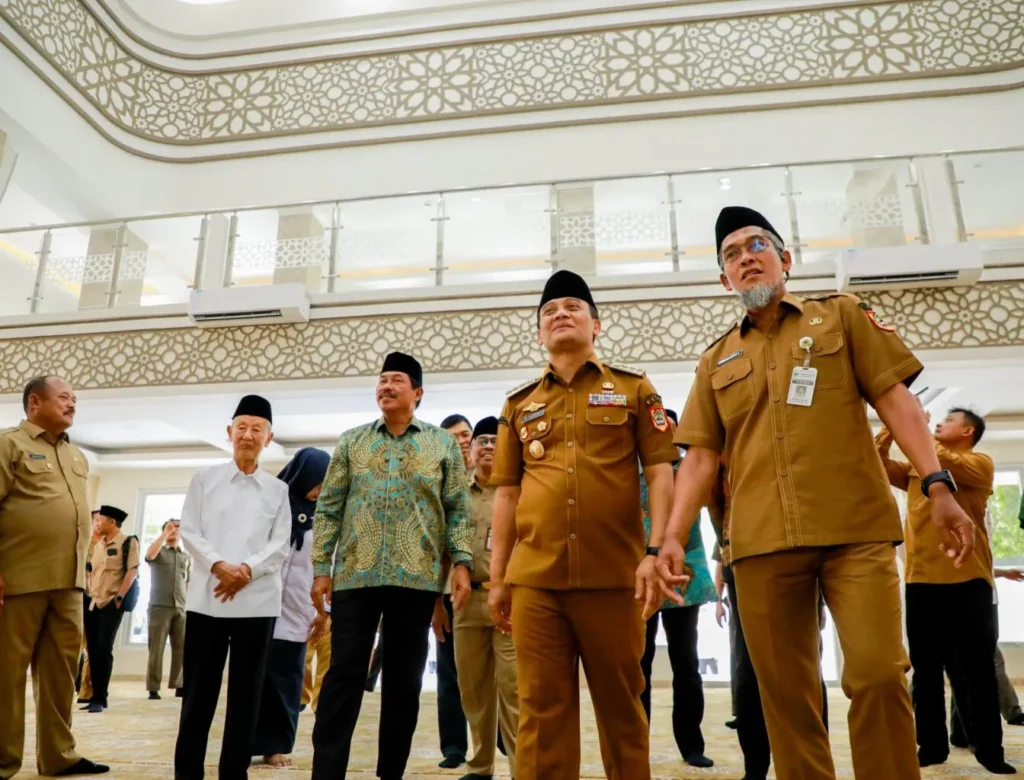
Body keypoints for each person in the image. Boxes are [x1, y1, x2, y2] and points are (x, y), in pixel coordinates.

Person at [656, 206, 977, 780]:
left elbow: (896, 402)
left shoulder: (842, 317)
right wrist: (671, 540)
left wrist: (937, 483)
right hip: (760, 544)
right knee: (788, 700)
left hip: (854, 532)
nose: (746, 257)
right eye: (731, 254)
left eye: (758, 245)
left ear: (786, 260)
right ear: (723, 279)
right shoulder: (714, 360)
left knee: (879, 674)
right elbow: (701, 457)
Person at [488, 270, 678, 780]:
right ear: (539, 335)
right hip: (536, 583)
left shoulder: (635, 389)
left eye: (573, 307)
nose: (560, 315)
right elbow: (506, 494)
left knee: (622, 713)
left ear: (597, 325)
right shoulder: (518, 404)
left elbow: (660, 472)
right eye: (549, 311)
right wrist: (499, 576)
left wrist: (656, 550)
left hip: (615, 579)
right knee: (541, 717)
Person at [310, 352, 474, 780]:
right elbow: (328, 509)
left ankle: (391, 774)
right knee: (343, 676)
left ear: (417, 393)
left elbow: (458, 509)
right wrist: (321, 568)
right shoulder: (351, 441)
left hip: (416, 579)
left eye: (396, 380)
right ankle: (326, 772)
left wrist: (461, 562)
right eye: (382, 380)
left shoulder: (441, 445)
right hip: (355, 575)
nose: (386, 386)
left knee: (404, 682)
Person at [877, 406, 1014, 773]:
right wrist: (892, 428)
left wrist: (915, 428)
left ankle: (989, 749)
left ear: (968, 431)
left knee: (978, 670)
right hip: (921, 580)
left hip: (968, 578)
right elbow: (877, 464)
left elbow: (938, 459)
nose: (939, 423)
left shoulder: (979, 464)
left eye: (949, 420)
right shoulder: (916, 466)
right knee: (925, 671)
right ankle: (931, 746)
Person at [174, 394, 291, 780]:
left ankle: (233, 773)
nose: (248, 434)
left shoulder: (278, 490)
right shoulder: (204, 479)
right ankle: (187, 772)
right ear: (229, 433)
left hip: (257, 605)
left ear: (268, 438)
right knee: (197, 695)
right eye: (241, 426)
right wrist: (220, 566)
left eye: (257, 429)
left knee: (247, 696)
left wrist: (246, 571)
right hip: (207, 599)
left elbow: (281, 544)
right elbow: (189, 530)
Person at [0, 375, 109, 777]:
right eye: (64, 397)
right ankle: (3, 760)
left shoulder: (78, 456)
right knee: (6, 675)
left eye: (75, 399)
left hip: (68, 584)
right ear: (34, 402)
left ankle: (58, 756)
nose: (72, 404)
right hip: (18, 579)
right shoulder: (8, 444)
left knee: (62, 674)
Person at [638, 409, 717, 769]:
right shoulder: (633, 473)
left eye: (671, 428)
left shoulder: (692, 471)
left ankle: (691, 744)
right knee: (638, 663)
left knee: (686, 662)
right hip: (640, 575)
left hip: (686, 573)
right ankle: (636, 742)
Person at [449, 416, 519, 780]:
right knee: (473, 690)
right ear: (471, 452)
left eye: (495, 441)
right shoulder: (455, 492)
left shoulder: (518, 490)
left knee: (513, 688)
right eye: (482, 441)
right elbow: (443, 548)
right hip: (464, 601)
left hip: (509, 601)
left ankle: (523, 768)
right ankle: (480, 766)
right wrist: (437, 604)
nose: (489, 446)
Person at [253, 447, 330, 767]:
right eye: (317, 482)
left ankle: (277, 745)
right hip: (259, 607)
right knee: (255, 679)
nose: (320, 490)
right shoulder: (270, 506)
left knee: (287, 681)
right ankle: (245, 741)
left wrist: (325, 612)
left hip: (299, 609)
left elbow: (330, 566)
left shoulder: (325, 517)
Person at [436, 412, 473, 769]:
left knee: (492, 671)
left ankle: (497, 741)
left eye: (465, 435)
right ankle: (453, 747)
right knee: (449, 673)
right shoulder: (439, 481)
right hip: (447, 591)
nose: (461, 442)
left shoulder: (493, 479)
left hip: (486, 586)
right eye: (453, 437)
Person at [83, 505, 139, 713]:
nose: (97, 522)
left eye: (101, 519)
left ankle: (100, 697)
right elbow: (92, 571)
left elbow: (132, 570)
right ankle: (95, 695)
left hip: (111, 603)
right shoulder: (99, 545)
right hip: (93, 602)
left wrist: (120, 597)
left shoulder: (128, 542)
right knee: (93, 651)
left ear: (112, 522)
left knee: (104, 649)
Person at [145, 519, 191, 700]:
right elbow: (149, 556)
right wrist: (165, 533)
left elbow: (188, 581)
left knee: (181, 648)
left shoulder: (186, 557)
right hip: (159, 606)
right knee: (156, 648)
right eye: (170, 528)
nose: (173, 531)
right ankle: (153, 687)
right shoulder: (159, 551)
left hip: (181, 606)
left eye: (177, 528)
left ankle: (179, 684)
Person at [76, 513, 102, 705]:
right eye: (97, 520)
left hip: (100, 600)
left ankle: (87, 690)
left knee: (94, 648)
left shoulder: (110, 545)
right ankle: (77, 686)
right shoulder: (84, 543)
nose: (100, 523)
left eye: (103, 519)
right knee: (77, 645)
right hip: (79, 597)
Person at [302, 617, 332, 711]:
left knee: (326, 665)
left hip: (331, 616)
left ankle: (320, 705)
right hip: (307, 616)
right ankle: (301, 698)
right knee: (303, 659)